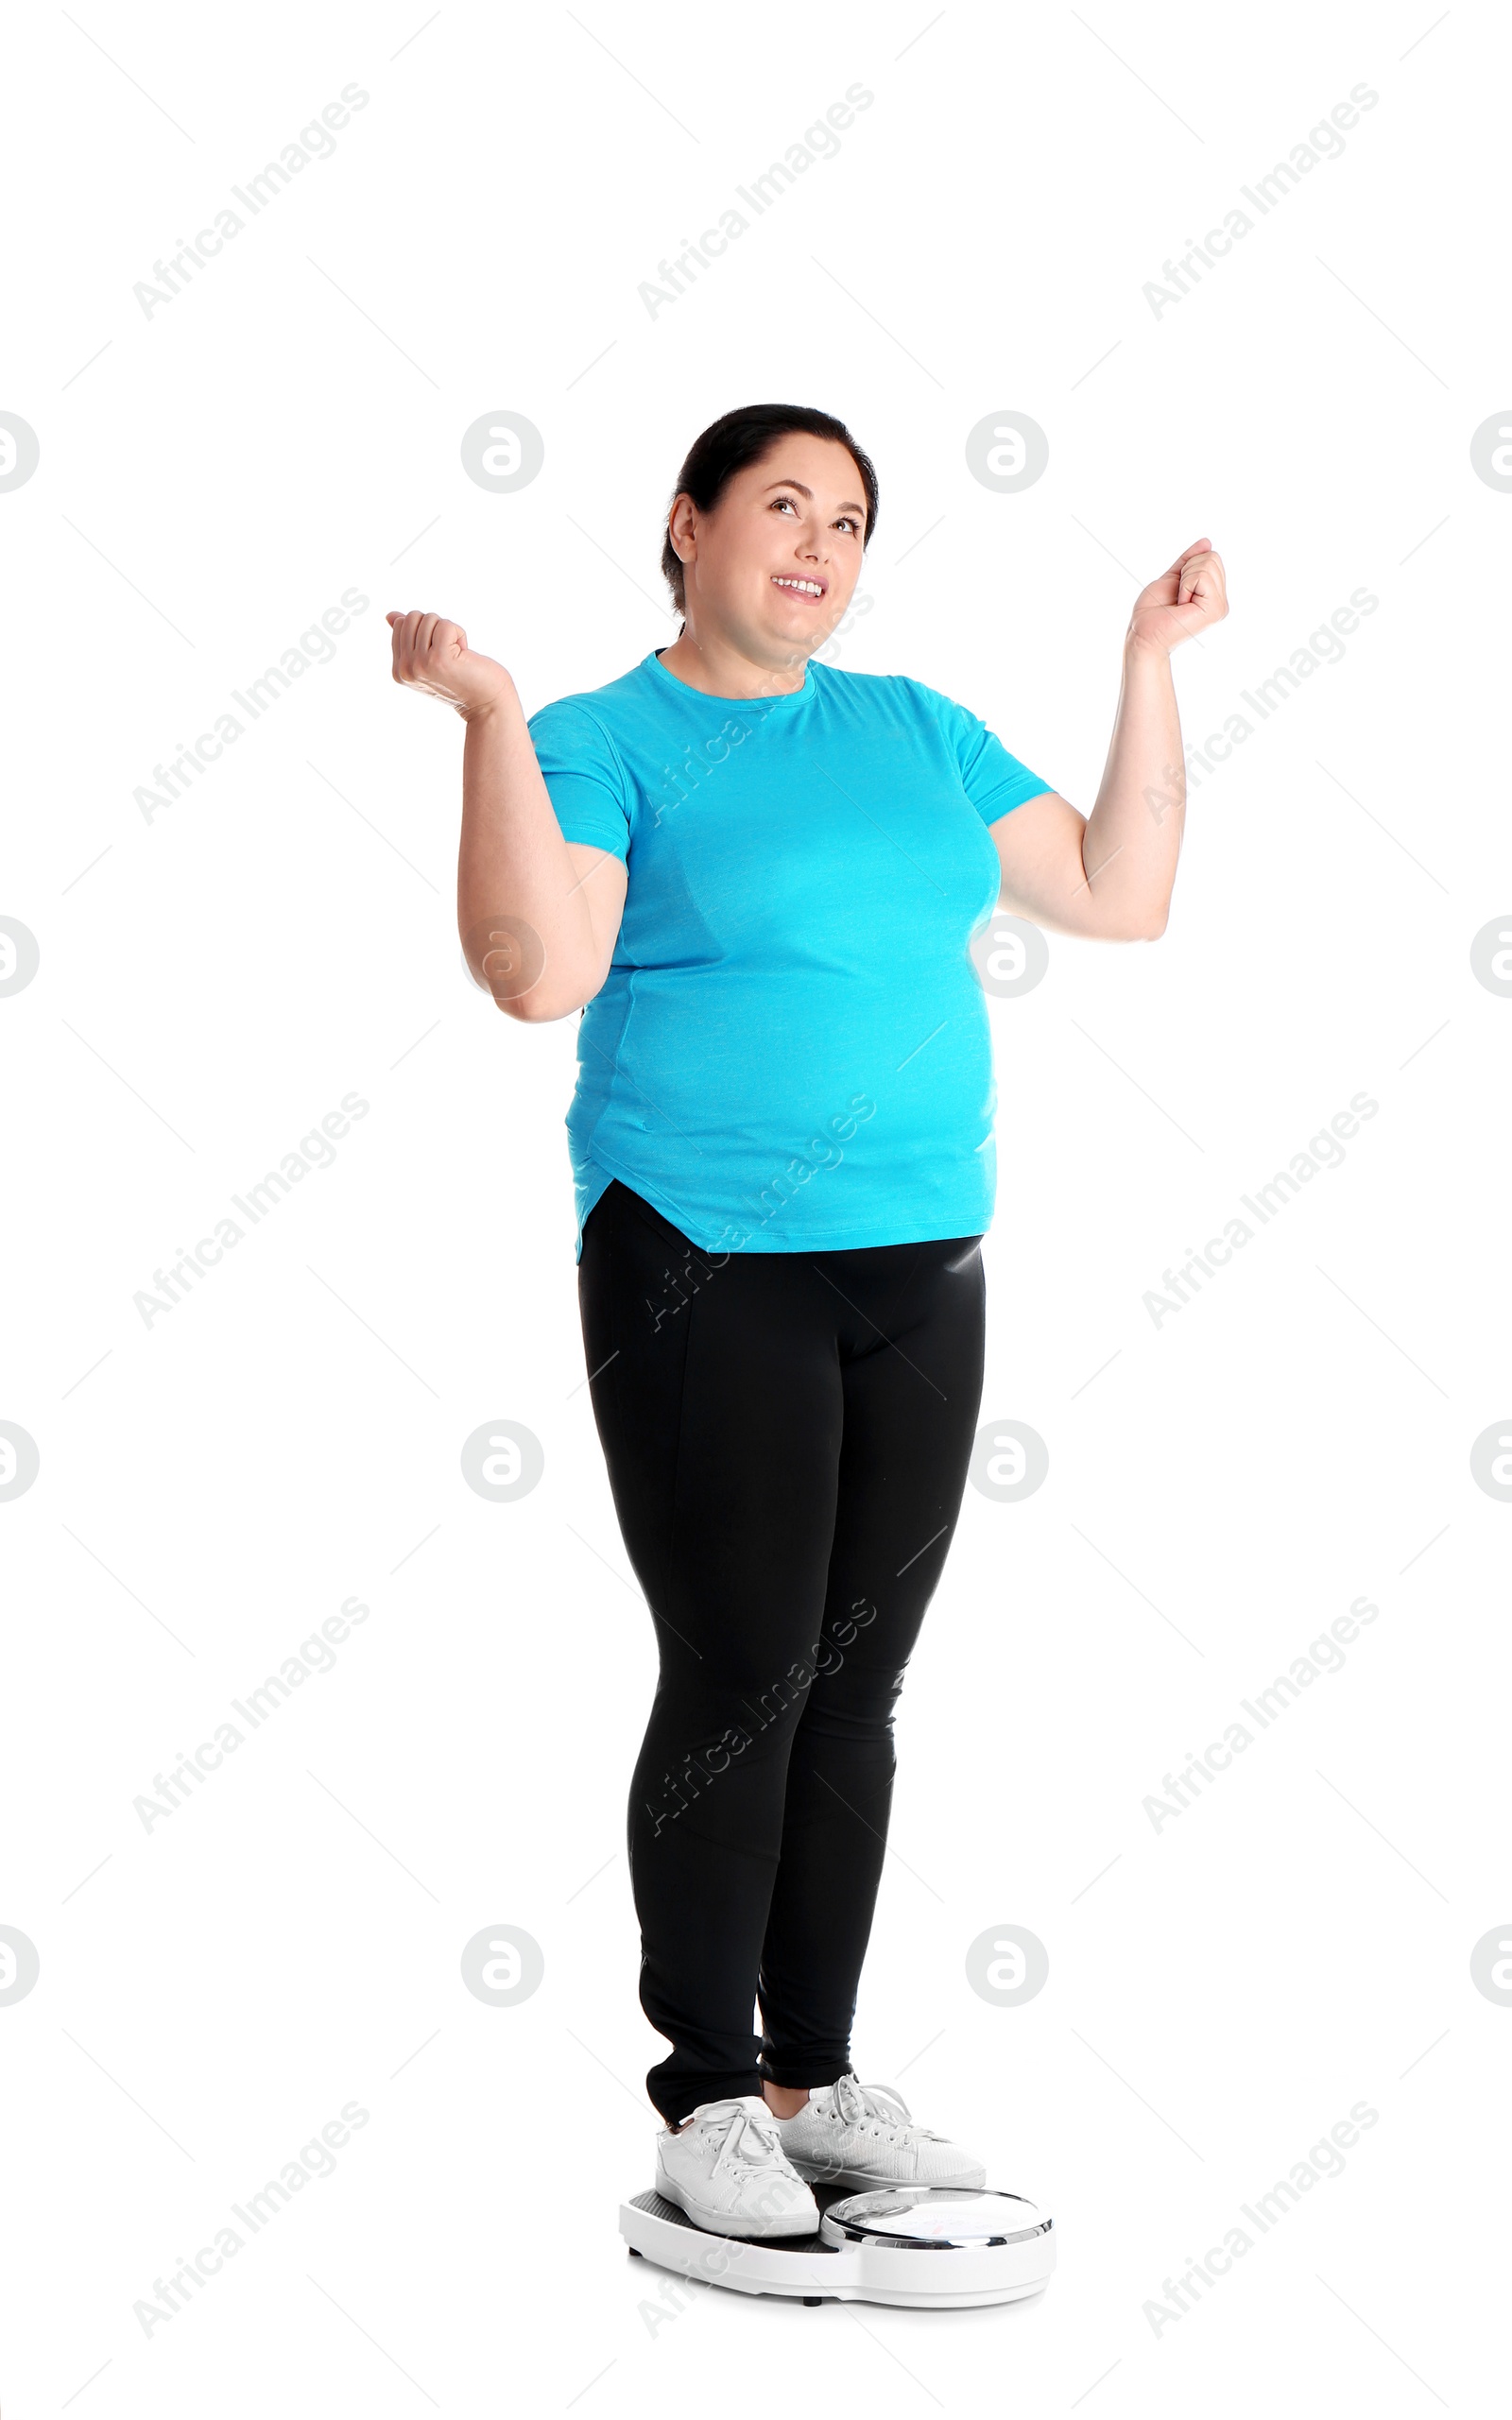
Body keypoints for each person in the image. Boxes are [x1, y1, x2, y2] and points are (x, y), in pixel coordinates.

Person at [387, 402, 1227, 2240]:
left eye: (847, 520)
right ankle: (701, 2094)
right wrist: (487, 723)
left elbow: (1116, 890)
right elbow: (538, 974)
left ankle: (809, 2076)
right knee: (740, 1669)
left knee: (855, 1691)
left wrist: (1145, 662)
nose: (816, 547)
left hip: (918, 1258)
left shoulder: (915, 728)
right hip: (698, 1253)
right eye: (779, 506)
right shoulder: (604, 737)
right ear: (682, 526)